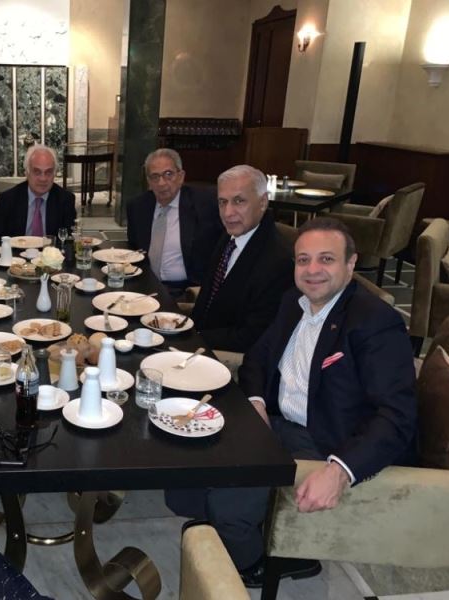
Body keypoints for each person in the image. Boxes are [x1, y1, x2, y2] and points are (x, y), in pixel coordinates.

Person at [166, 217, 417, 587]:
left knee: (228, 506)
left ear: (350, 264)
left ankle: (256, 564)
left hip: (325, 440)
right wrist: (255, 403)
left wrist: (339, 470)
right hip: (276, 421)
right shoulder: (294, 303)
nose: (312, 270)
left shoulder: (374, 321)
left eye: (326, 259)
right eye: (303, 260)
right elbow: (257, 359)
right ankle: (229, 532)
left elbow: (397, 416)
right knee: (183, 480)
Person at [191, 165, 293, 352]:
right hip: (201, 340)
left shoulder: (278, 262)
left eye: (239, 201)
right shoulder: (230, 235)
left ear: (263, 202)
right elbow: (209, 298)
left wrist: (193, 338)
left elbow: (253, 336)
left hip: (228, 357)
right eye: (222, 202)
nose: (228, 212)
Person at [126, 148, 222, 296]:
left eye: (168, 174)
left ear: (181, 176)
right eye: (155, 177)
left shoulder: (205, 205)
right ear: (148, 182)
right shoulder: (137, 207)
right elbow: (134, 250)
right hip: (146, 287)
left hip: (188, 290)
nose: (161, 183)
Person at [0, 144, 76, 242]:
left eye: (48, 172)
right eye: (37, 172)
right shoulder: (7, 199)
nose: (43, 178)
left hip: (51, 251)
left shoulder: (65, 200)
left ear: (54, 174)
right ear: (27, 172)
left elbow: (69, 241)